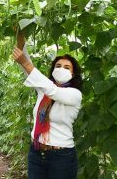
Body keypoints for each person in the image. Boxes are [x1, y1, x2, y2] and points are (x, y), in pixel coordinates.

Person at [13, 31, 83, 179]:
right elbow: (26, 66)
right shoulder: (43, 89)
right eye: (58, 65)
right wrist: (20, 32)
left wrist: (25, 62)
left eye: (66, 67)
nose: (61, 69)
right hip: (36, 153)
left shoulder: (74, 95)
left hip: (61, 157)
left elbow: (53, 91)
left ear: (74, 74)